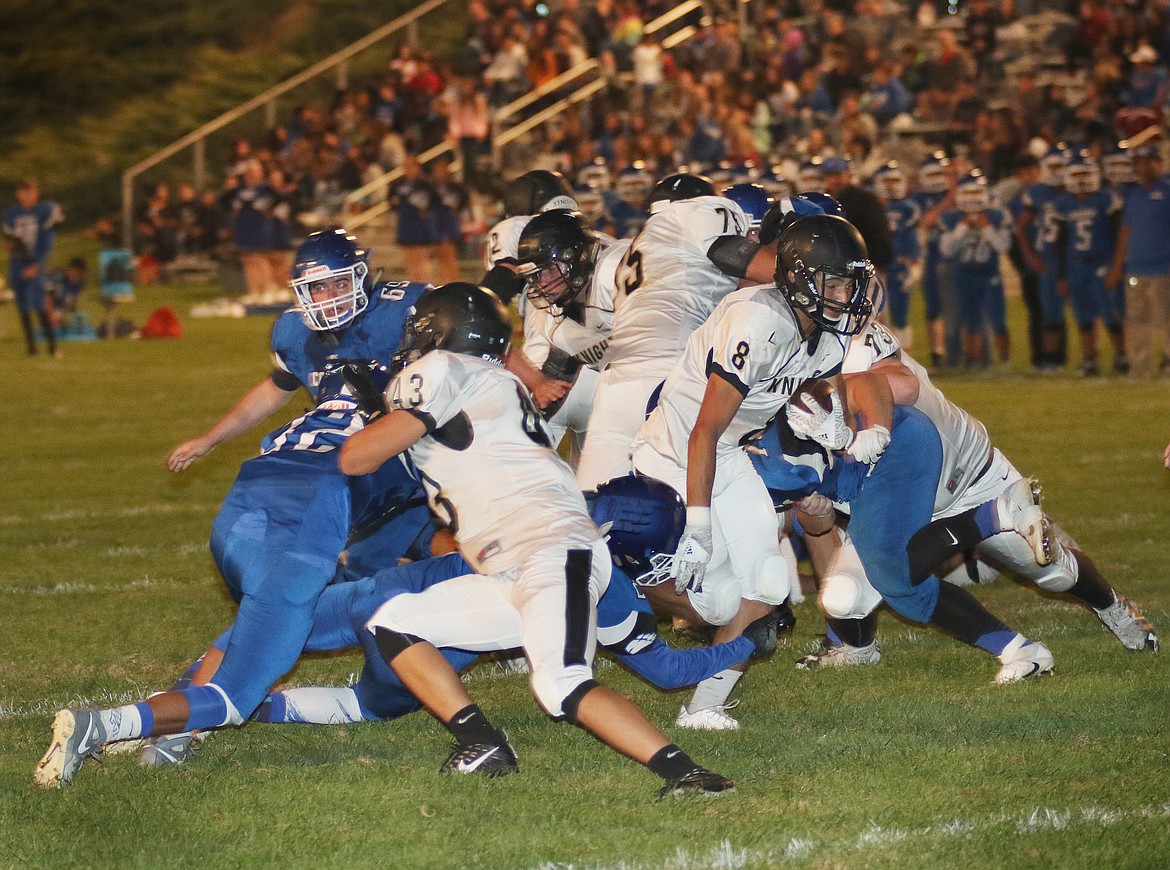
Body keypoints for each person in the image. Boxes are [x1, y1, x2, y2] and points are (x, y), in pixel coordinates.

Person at [35, 230, 430, 788]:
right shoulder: (313, 338)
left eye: (337, 284)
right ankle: (110, 725)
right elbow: (285, 393)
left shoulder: (403, 311)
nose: (326, 300)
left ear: (364, 277)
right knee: (245, 682)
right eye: (314, 290)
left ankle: (176, 718)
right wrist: (212, 437)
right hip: (321, 498)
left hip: (258, 494)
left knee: (302, 605)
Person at [338, 282, 734, 799]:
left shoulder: (441, 370)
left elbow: (355, 459)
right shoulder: (492, 380)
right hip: (514, 561)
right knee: (394, 624)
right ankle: (481, 743)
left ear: (443, 332)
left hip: (548, 549)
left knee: (560, 683)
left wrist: (373, 413)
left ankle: (688, 774)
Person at [782, 319, 1156, 673]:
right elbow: (818, 523)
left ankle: (1111, 606)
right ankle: (857, 650)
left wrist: (838, 396)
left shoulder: (855, 346)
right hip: (898, 500)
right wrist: (814, 505)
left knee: (1050, 571)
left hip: (969, 477)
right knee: (842, 597)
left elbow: (904, 384)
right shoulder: (783, 393)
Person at [629, 215, 880, 730]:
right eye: (834, 283)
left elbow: (815, 381)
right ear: (799, 279)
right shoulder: (754, 321)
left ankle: (703, 708)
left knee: (767, 583)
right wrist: (697, 526)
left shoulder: (829, 335)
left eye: (851, 283)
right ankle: (606, 582)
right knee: (715, 594)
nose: (846, 295)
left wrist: (830, 420)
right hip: (675, 454)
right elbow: (703, 431)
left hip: (727, 453)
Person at [580, 173, 747, 490]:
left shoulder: (620, 254)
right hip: (673, 375)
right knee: (698, 500)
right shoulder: (699, 221)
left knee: (595, 502)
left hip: (615, 386)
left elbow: (602, 332)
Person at [512, 209, 628, 450]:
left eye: (551, 270)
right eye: (536, 275)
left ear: (581, 256)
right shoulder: (552, 321)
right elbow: (559, 373)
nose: (543, 283)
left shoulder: (614, 272)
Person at [1051, 150, 1127, 376]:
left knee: (1110, 313)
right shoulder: (1063, 203)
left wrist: (1117, 266)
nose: (1083, 179)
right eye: (1078, 174)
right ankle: (1090, 359)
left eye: (1086, 173)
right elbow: (1061, 242)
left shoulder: (1106, 199)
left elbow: (1118, 236)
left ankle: (1122, 356)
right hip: (1076, 265)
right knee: (1083, 316)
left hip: (1101, 262)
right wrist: (1063, 275)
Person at [938, 170, 1013, 369]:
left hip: (990, 274)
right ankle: (971, 361)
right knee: (970, 322)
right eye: (968, 194)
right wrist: (962, 228)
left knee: (998, 320)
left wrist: (986, 228)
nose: (972, 199)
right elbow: (947, 250)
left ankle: (1005, 361)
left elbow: (1003, 246)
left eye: (976, 193)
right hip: (964, 274)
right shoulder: (951, 218)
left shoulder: (997, 216)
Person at [1110, 143, 1170, 378]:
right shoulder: (1133, 195)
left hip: (1164, 267)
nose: (1144, 167)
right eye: (1141, 162)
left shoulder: (1167, 192)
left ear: (1159, 163)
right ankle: (1140, 367)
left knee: (1167, 320)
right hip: (1136, 267)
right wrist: (1117, 265)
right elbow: (1126, 232)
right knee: (1137, 321)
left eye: (1149, 161)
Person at [3, 179, 64, 357]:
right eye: (24, 192)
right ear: (18, 194)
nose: (27, 196)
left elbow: (48, 238)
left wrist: (37, 264)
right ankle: (31, 348)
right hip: (17, 262)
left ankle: (53, 346)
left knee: (39, 304)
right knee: (22, 306)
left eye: (30, 192)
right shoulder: (12, 213)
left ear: (36, 193)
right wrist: (10, 244)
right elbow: (10, 236)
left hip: (35, 262)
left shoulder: (44, 210)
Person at [872, 161, 922, 349]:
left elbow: (911, 237)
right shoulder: (872, 205)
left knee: (901, 311)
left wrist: (915, 264)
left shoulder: (908, 207)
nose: (891, 185)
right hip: (876, 264)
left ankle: (904, 353)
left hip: (899, 263)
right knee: (876, 311)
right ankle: (880, 350)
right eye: (887, 180)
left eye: (895, 180)